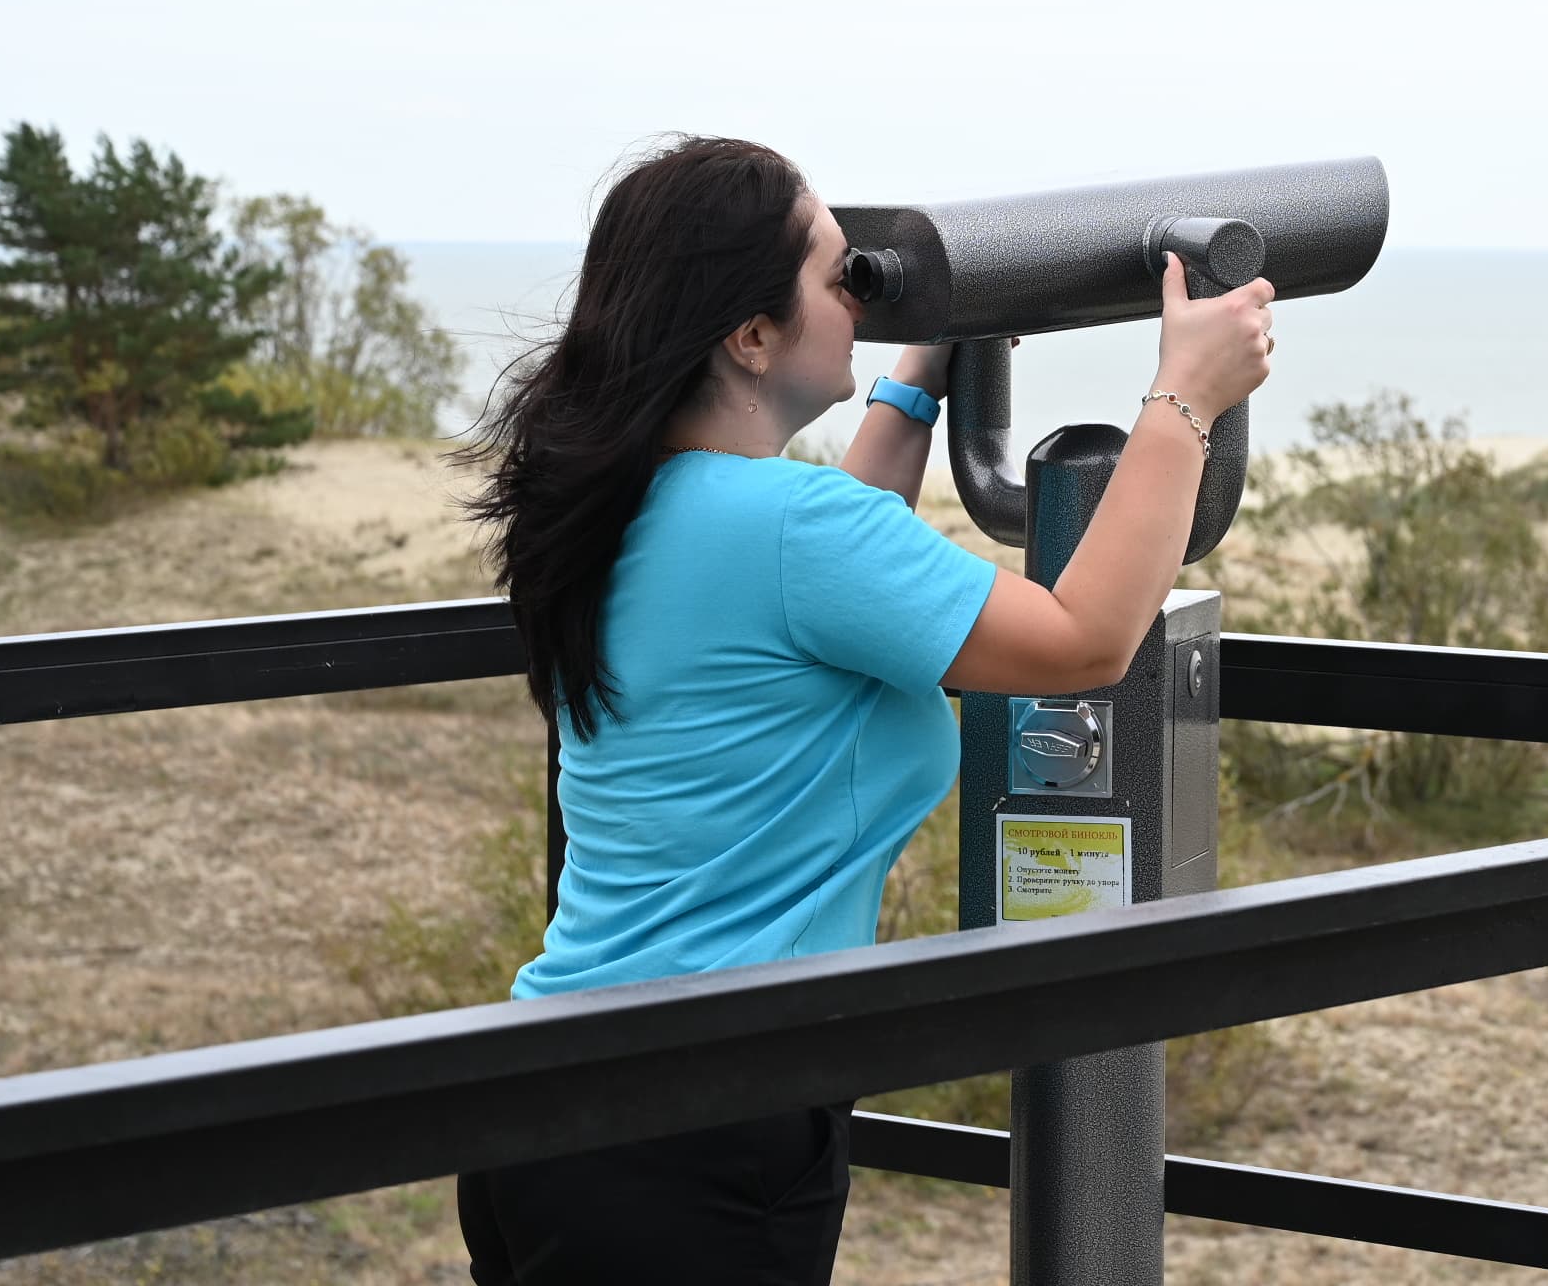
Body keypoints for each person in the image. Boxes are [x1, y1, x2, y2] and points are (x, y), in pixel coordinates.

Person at [452, 136, 1274, 1284]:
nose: (861, 297)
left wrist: (924, 363)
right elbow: (1086, 641)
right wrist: (1187, 397)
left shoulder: (630, 502)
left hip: (547, 1096)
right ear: (751, 335)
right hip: (703, 1118)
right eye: (842, 276)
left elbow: (835, 564)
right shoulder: (790, 531)